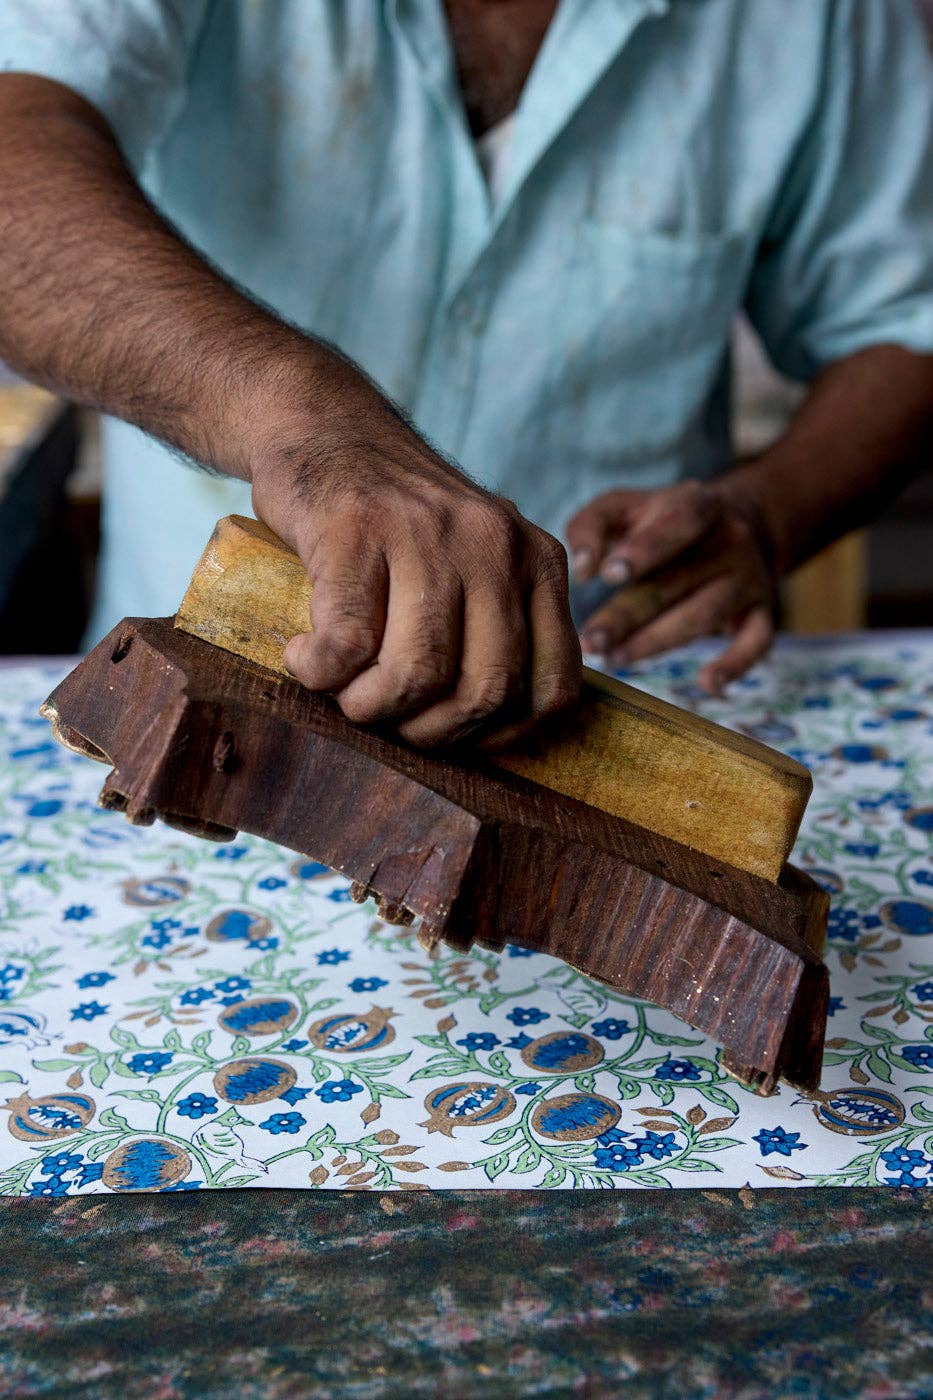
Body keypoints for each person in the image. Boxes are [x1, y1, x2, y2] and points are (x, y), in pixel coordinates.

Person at [0, 1, 931, 748]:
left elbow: (906, 327)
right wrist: (305, 421)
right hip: (196, 708)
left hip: (595, 726)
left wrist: (766, 514)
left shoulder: (821, 19)